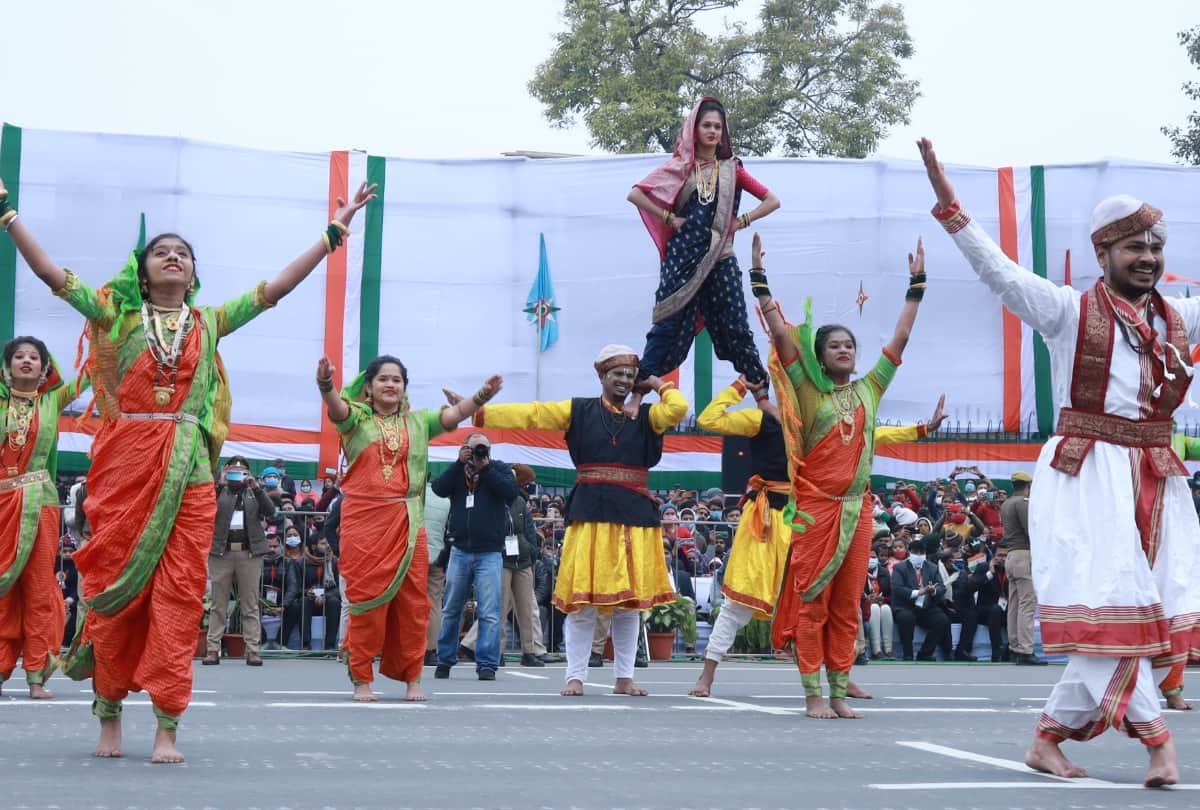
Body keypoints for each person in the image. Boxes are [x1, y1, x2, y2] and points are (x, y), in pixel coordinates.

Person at [3, 168, 377, 761]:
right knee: (116, 591)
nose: (172, 257)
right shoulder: (113, 317)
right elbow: (51, 275)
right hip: (124, 470)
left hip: (190, 476)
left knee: (178, 595)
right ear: (142, 270)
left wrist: (333, 232)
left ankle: (167, 728)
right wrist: (7, 212)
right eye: (161, 252)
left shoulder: (209, 322)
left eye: (182, 254)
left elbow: (273, 291)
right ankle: (108, 717)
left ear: (194, 273)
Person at [920, 138, 1194, 787]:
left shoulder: (1178, 319)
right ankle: (1160, 747)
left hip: (1157, 477)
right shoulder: (1069, 312)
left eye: (1155, 248)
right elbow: (1001, 274)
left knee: (1133, 617)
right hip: (1090, 476)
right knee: (1121, 609)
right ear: (1103, 254)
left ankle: (1048, 740)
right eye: (1134, 248)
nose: (1148, 258)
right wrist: (953, 211)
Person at [750, 231, 924, 719]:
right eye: (835, 345)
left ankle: (841, 693)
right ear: (821, 355)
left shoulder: (871, 388)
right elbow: (782, 338)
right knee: (814, 603)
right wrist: (760, 281)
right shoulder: (807, 391)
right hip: (815, 511)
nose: (845, 350)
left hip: (859, 509)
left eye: (850, 344)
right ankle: (812, 695)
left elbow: (901, 339)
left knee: (849, 605)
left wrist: (917, 287)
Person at [688, 373, 946, 697]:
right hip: (766, 521)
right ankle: (706, 676)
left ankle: (841, 676)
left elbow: (875, 434)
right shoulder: (758, 420)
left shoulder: (820, 424)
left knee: (822, 600)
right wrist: (741, 385)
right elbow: (709, 418)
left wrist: (923, 429)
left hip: (809, 519)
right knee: (739, 601)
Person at [470, 344, 688, 696]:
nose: (624, 380)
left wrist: (654, 383)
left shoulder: (649, 416)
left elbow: (678, 407)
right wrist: (480, 415)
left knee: (629, 606)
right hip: (591, 514)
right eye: (617, 374)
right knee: (582, 603)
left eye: (630, 376)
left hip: (634, 517)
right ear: (601, 376)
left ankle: (624, 678)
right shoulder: (579, 411)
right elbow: (533, 414)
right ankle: (575, 676)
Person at [317, 354, 500, 700]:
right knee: (367, 604)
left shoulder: (418, 423)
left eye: (397, 380)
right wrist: (326, 386)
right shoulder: (355, 420)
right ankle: (362, 681)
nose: (390, 385)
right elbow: (337, 409)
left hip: (407, 521)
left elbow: (452, 416)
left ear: (404, 388)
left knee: (414, 604)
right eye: (383, 379)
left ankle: (413, 678)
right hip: (364, 523)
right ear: (369, 388)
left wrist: (479, 398)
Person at [624, 97, 781, 416]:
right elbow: (636, 194)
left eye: (717, 127)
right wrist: (669, 218)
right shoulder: (679, 168)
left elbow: (771, 200)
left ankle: (762, 397)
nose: (712, 131)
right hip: (682, 258)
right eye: (706, 125)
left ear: (724, 133)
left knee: (736, 323)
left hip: (720, 256)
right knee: (666, 323)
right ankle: (637, 397)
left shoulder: (732, 169)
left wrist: (742, 221)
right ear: (694, 130)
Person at [0, 336, 79, 699]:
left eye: (34, 357)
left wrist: (105, 326)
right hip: (1, 503)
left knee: (36, 589)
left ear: (46, 368)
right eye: (19, 356)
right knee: (2, 589)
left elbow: (92, 374)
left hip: (39, 502)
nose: (27, 361)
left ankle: (35, 676)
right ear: (7, 366)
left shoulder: (52, 400)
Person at [432, 432, 518, 681]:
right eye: (474, 448)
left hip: (489, 552)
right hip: (459, 550)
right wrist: (459, 463)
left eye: (483, 448)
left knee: (490, 611)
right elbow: (438, 488)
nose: (479, 452)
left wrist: (487, 468)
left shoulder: (499, 469)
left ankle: (487, 664)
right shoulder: (458, 471)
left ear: (490, 450)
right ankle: (444, 660)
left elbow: (511, 492)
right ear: (464, 449)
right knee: (451, 609)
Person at [459, 463, 556, 666]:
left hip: (522, 561)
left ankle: (529, 652)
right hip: (501, 559)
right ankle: (497, 651)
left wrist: (530, 551)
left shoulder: (520, 502)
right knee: (499, 609)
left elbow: (529, 529)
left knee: (527, 609)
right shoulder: (494, 499)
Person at [203, 456, 276, 666]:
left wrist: (257, 488)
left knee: (250, 603)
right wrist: (220, 484)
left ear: (248, 474)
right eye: (233, 472)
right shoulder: (219, 491)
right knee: (218, 603)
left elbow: (271, 512)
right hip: (221, 553)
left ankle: (253, 649)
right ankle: (212, 649)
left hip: (249, 554)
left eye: (242, 472)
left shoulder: (254, 491)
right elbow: (205, 509)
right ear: (226, 472)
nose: (237, 477)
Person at [999, 471, 1044, 667]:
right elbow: (1031, 531)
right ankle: (1025, 649)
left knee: (1015, 605)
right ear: (1028, 485)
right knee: (1027, 604)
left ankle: (1015, 646)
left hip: (1011, 556)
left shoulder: (1006, 503)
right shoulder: (1023, 503)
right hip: (1024, 556)